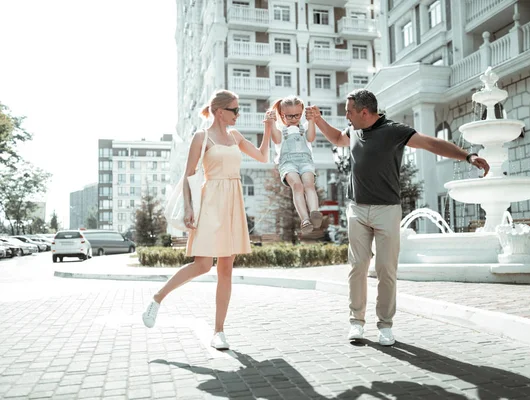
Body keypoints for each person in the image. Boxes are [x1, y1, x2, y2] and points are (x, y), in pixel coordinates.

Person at [305, 89, 490, 346]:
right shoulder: (354, 130)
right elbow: (337, 138)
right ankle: (356, 322)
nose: (345, 116)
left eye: (349, 111)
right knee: (357, 267)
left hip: (386, 210)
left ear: (365, 112)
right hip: (357, 208)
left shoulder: (394, 131)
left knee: (386, 270)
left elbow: (430, 143)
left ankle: (385, 325)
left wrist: (467, 156)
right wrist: (317, 120)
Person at [142, 89, 273, 350]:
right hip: (211, 200)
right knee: (202, 265)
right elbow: (189, 174)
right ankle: (158, 297)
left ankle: (219, 331)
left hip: (233, 200)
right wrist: (190, 207)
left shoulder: (235, 136)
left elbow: (262, 156)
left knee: (226, 269)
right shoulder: (201, 137)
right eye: (235, 110)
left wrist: (268, 129)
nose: (238, 114)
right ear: (220, 111)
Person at [268, 95, 323, 234]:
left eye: (297, 115)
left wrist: (311, 120)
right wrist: (272, 123)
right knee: (297, 186)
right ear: (282, 115)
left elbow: (310, 138)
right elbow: (276, 139)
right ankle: (305, 219)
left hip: (305, 161)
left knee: (308, 184)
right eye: (289, 116)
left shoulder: (304, 127)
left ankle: (314, 212)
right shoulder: (281, 130)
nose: (293, 119)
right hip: (288, 162)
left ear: (302, 113)